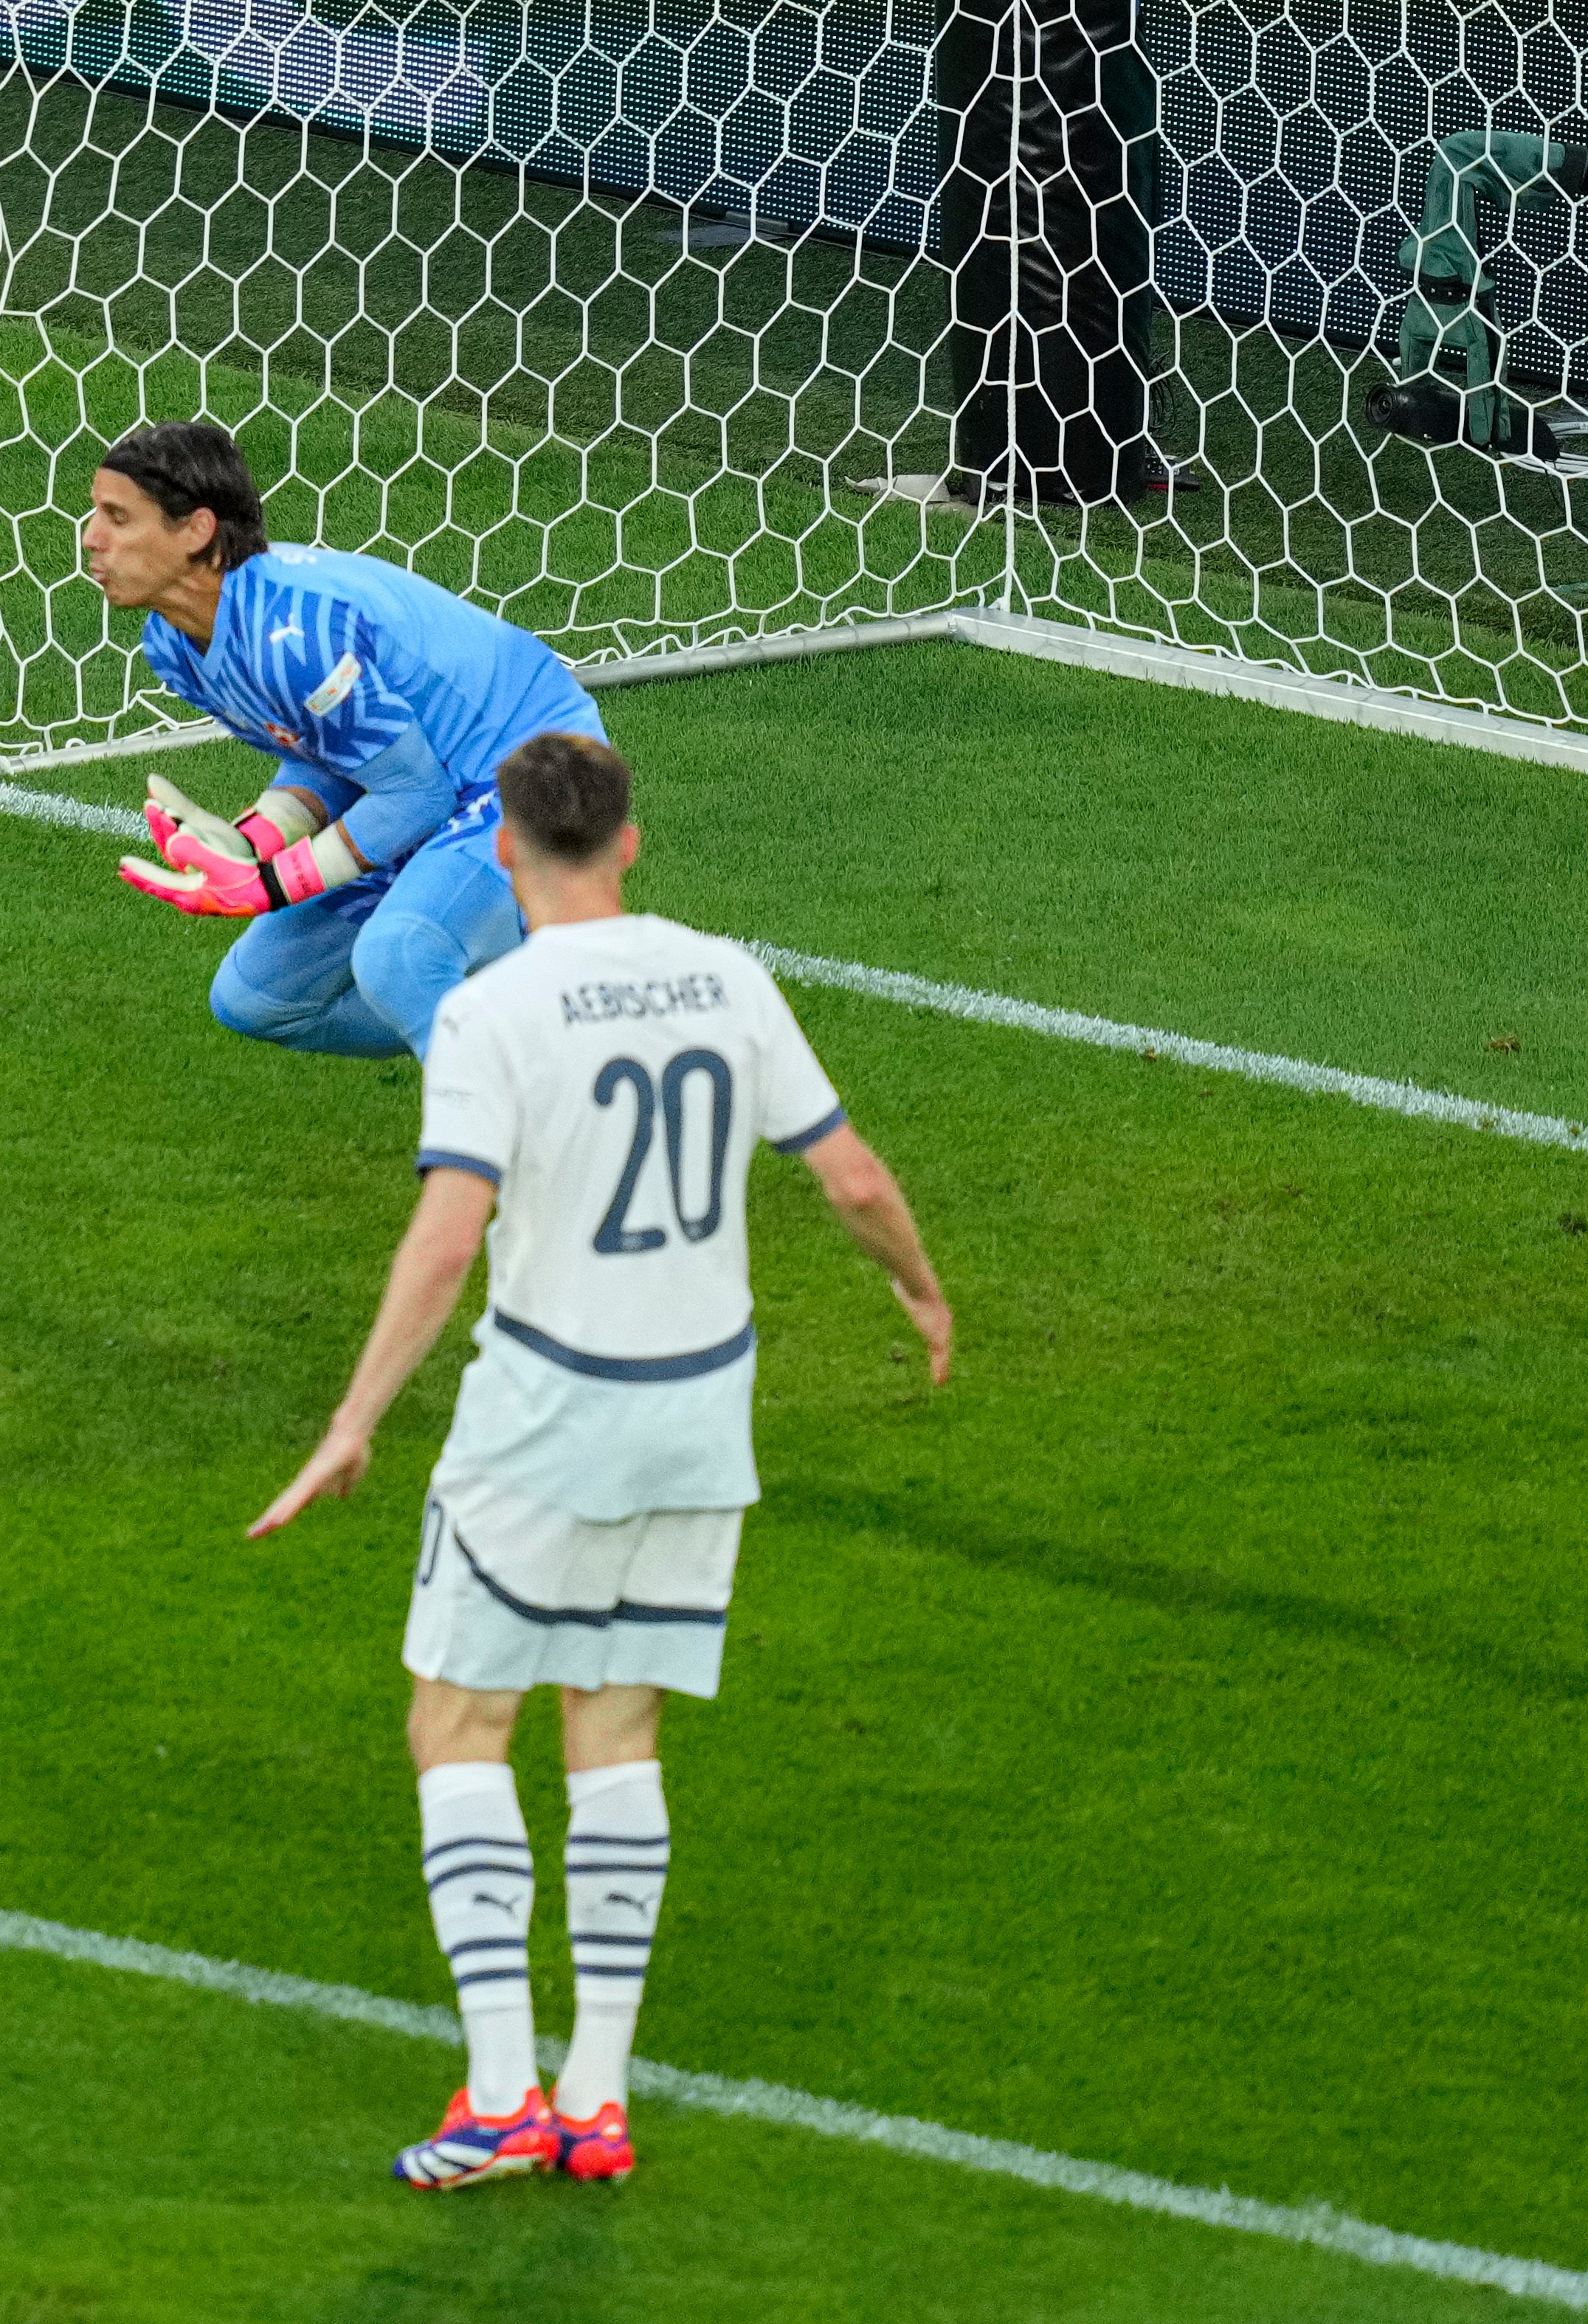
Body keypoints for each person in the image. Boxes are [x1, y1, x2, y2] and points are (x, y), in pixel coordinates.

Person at [247, 732, 950, 2189]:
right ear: (630, 843)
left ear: (501, 850)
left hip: (548, 1415)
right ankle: (599, 2094)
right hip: (701, 1412)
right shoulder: (727, 974)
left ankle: (504, 2091)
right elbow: (854, 1173)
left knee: (459, 1726)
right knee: (617, 1736)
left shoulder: (495, 1011)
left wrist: (354, 1416)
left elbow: (448, 1237)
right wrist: (922, 1290)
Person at [82, 419, 610, 1059]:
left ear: (196, 530)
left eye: (117, 517)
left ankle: (523, 1118)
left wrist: (272, 884)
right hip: (426, 782)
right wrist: (256, 837)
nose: (92, 539)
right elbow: (334, 757)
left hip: (532, 768)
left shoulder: (295, 634)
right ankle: (519, 1019)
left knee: (398, 960)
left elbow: (414, 796)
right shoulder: (174, 646)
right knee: (254, 999)